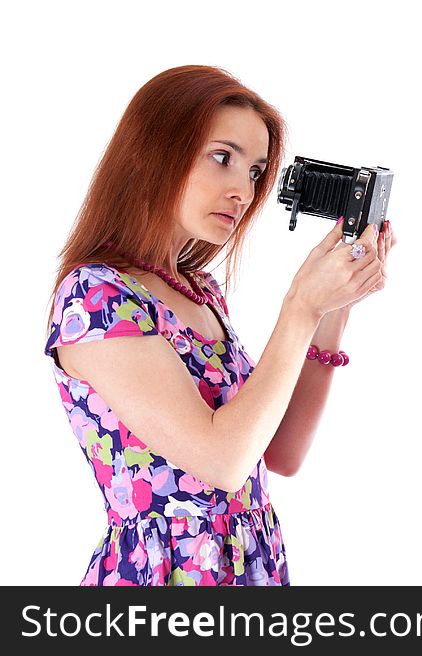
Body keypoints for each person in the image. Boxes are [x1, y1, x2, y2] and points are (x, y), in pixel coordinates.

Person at [43, 65, 396, 586]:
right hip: (163, 574)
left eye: (254, 172)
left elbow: (280, 452)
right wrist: (299, 306)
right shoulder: (95, 298)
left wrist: (331, 310)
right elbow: (221, 459)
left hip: (250, 564)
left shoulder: (200, 291)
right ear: (156, 151)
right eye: (222, 158)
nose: (242, 191)